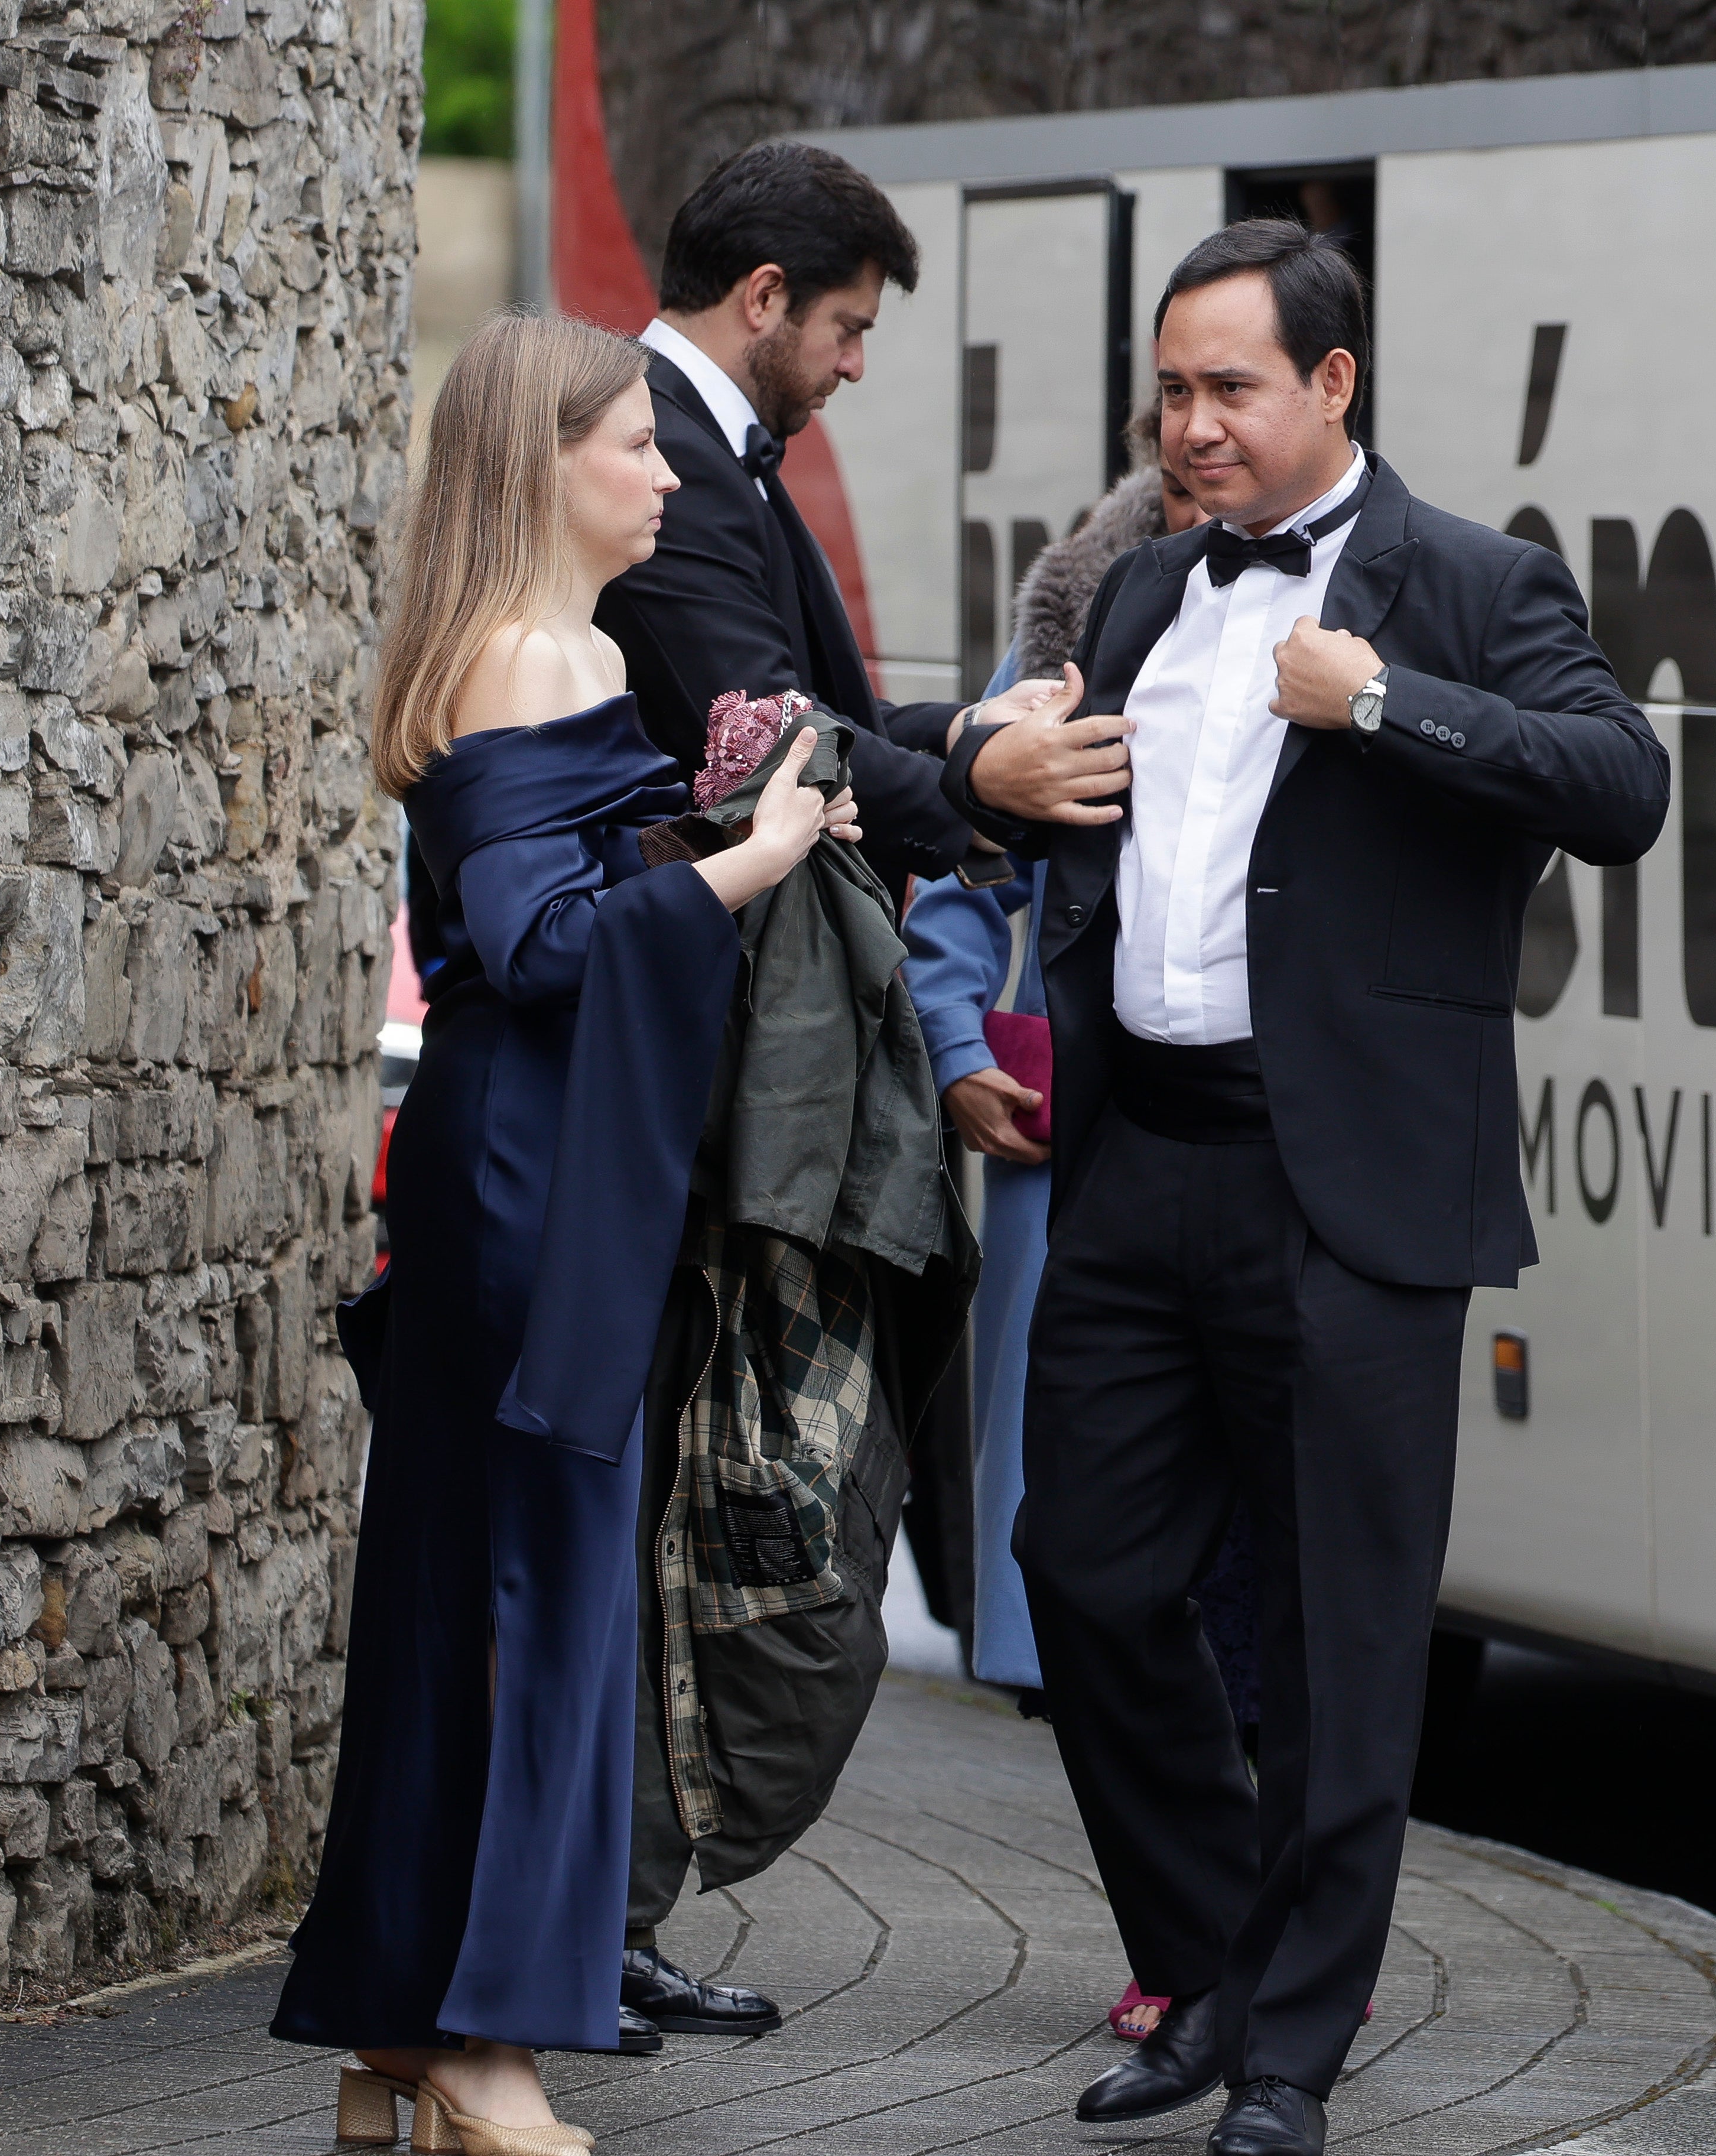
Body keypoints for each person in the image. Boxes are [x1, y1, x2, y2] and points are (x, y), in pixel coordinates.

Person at [938, 220, 1669, 2156]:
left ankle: (1285, 2060)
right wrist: (989, 781)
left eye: (1229, 389)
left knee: (1347, 1642)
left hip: (1343, 1190)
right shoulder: (1153, 583)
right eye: (1170, 391)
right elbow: (1072, 804)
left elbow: (1620, 784)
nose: (1190, 428)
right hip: (1136, 1165)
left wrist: (1382, 704)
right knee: (1076, 1568)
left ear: (1335, 385)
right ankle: (1209, 1956)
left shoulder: (1468, 580)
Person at [272, 313, 856, 2153]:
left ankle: (398, 2025)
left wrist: (692, 831)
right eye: (636, 447)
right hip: (530, 1182)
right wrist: (752, 857)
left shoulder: (549, 648)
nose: (670, 475)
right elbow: (531, 952)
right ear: (545, 464)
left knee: (470, 1593)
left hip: (526, 1173)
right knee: (539, 1602)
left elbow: (562, 904)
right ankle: (485, 2039)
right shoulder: (530, 654)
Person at [591, 137, 1052, 2043]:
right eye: (849, 329)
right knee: (682, 1517)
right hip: (688, 1094)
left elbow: (821, 723)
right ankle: (586, 1922)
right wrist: (974, 782)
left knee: (693, 1518)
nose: (858, 367)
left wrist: (952, 743)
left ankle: (597, 1916)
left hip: (701, 1082)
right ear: (764, 298)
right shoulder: (669, 476)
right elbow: (772, 752)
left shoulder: (713, 465)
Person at [902, 415, 1233, 2047]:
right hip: (1077, 1132)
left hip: (1255, 1160)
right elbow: (968, 853)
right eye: (1177, 462)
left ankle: (1252, 1935)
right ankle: (1184, 1931)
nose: (1202, 485)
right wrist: (959, 1043)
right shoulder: (1072, 625)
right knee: (1092, 1553)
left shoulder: (1346, 612)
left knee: (1256, 1575)